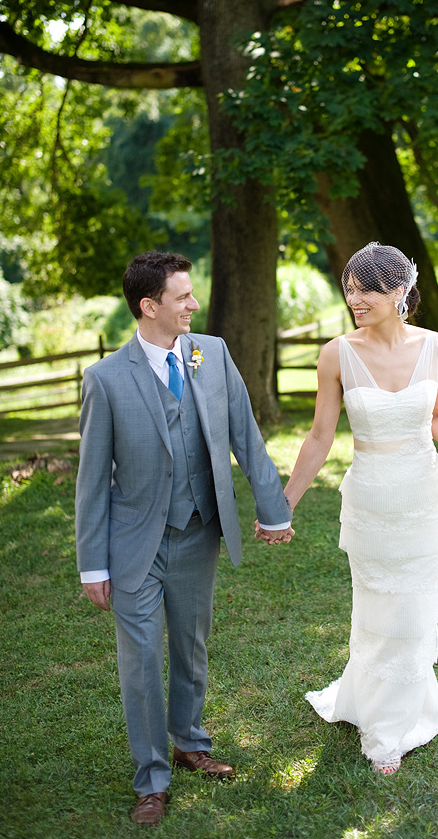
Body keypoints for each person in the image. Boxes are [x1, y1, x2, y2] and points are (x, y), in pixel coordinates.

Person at [75, 251, 293, 825]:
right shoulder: (105, 379)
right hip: (134, 544)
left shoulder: (211, 353)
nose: (194, 304)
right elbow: (91, 479)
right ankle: (151, 779)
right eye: (182, 297)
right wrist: (92, 565)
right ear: (150, 307)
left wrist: (273, 510)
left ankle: (190, 742)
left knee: (192, 646)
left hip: (199, 532)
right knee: (142, 660)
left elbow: (245, 435)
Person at [276, 242, 438, 775]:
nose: (355, 300)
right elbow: (320, 436)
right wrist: (284, 503)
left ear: (398, 293)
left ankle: (396, 718)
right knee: (376, 609)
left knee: (415, 608)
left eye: (366, 290)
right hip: (370, 500)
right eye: (350, 290)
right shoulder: (336, 354)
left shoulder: (436, 347)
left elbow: (435, 421)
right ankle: (377, 713)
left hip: (424, 499)